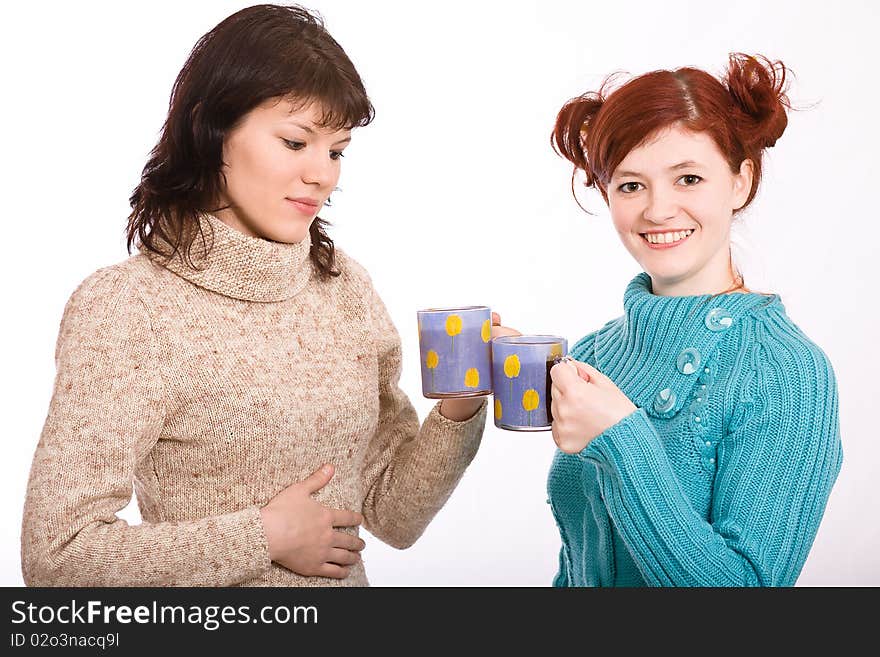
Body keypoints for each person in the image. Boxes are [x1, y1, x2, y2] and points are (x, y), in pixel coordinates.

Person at [20, 4, 506, 587]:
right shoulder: (127, 309)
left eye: (336, 150)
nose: (323, 174)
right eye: (296, 142)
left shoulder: (344, 289)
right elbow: (57, 554)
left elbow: (392, 515)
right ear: (211, 130)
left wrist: (461, 406)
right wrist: (263, 538)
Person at [544, 53, 843, 586]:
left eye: (687, 178)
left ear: (740, 182)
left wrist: (620, 439)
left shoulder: (786, 373)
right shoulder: (593, 354)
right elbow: (577, 562)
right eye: (630, 185)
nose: (657, 210)